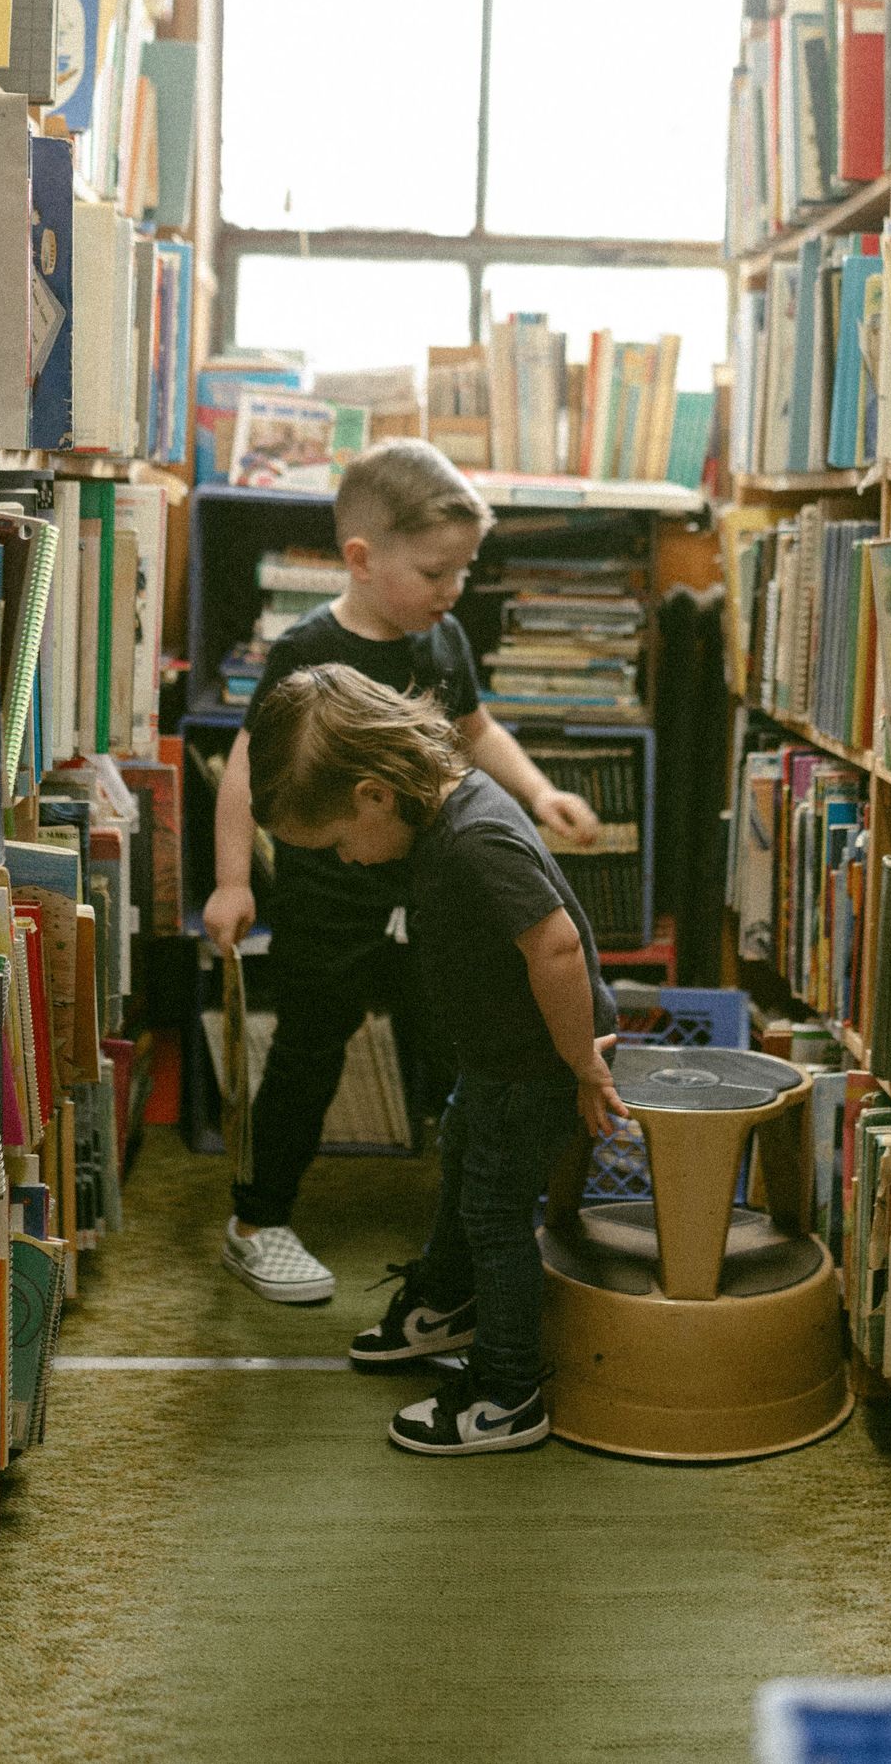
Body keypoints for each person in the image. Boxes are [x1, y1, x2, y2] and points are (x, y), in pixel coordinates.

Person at [204, 439, 599, 1306]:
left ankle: (464, 1219)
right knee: (309, 1051)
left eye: (463, 570)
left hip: (431, 899)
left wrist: (539, 795)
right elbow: (246, 764)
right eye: (435, 572)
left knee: (458, 1045)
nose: (452, 589)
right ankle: (257, 1220)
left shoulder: (444, 634)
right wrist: (234, 880)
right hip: (332, 892)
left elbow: (475, 730)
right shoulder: (308, 650)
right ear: (361, 559)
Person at [247, 662, 626, 1455]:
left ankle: (507, 1392)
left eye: (340, 844)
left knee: (495, 1214)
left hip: (541, 1063)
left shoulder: (475, 839)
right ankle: (448, 1305)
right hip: (499, 1055)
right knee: (462, 1163)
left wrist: (583, 1067)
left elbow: (556, 946)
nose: (347, 862)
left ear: (375, 795)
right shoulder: (441, 818)